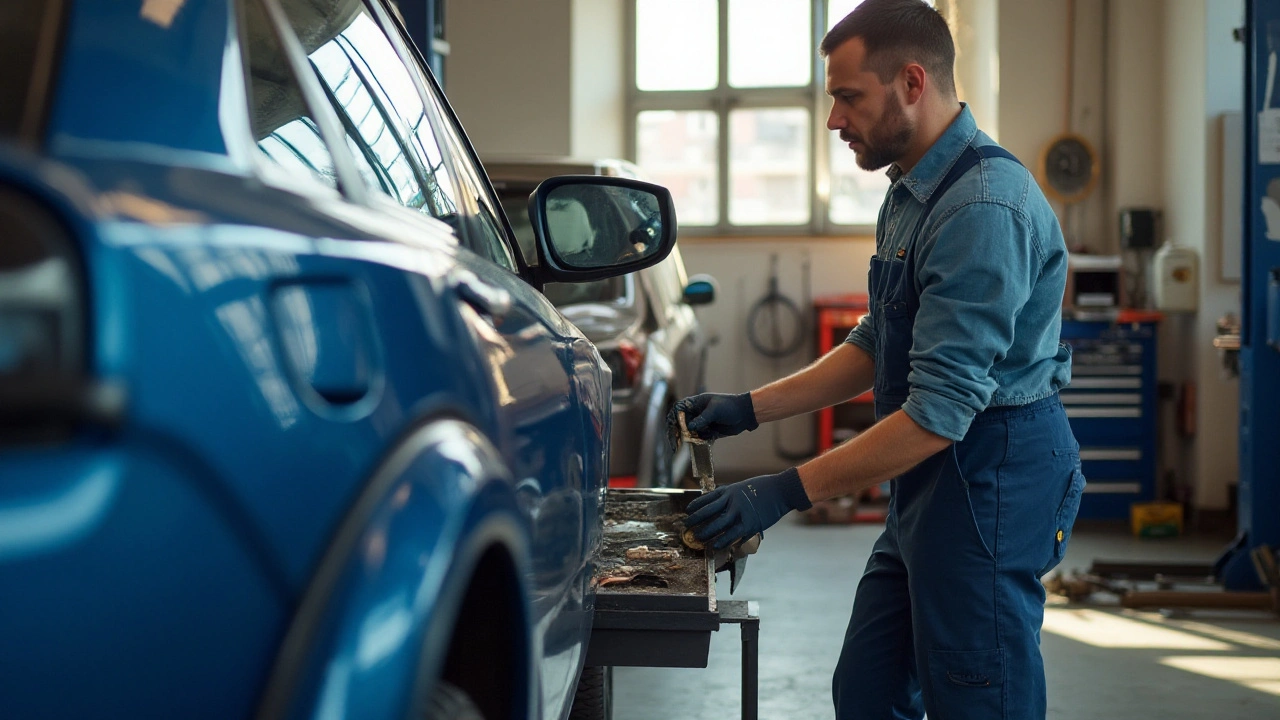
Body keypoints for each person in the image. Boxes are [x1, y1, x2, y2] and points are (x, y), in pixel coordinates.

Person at [674, 1, 1084, 718]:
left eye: (847, 97)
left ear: (913, 83)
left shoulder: (980, 208)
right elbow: (877, 341)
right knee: (870, 688)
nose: (834, 120)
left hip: (990, 474)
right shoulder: (912, 189)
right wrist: (749, 409)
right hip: (931, 476)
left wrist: (782, 491)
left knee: (977, 695)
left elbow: (935, 414)